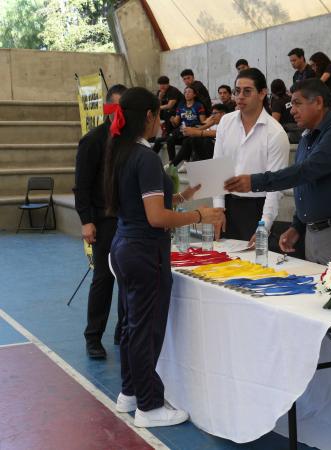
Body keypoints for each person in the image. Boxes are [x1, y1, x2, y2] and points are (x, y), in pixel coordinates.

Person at [103, 86, 224, 428]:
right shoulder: (144, 158)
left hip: (125, 245)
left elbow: (143, 207)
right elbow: (156, 217)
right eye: (159, 115)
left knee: (130, 325)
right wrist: (199, 216)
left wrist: (184, 195)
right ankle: (150, 405)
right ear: (150, 117)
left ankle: (130, 392)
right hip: (144, 252)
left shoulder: (122, 152)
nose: (162, 121)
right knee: (146, 330)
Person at [224, 79, 331, 264]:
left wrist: (254, 182)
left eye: (297, 103)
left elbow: (306, 171)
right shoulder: (307, 135)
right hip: (314, 233)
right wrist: (297, 226)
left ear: (318, 102)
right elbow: (304, 183)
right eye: (291, 104)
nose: (292, 110)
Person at [74, 83, 127, 359]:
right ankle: (93, 337)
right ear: (108, 108)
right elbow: (81, 186)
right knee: (104, 278)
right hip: (103, 220)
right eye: (116, 107)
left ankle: (123, 329)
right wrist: (86, 220)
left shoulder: (131, 141)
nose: (120, 113)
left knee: (128, 278)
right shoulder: (93, 140)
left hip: (129, 220)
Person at [213, 68, 290, 243]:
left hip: (257, 208)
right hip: (228, 205)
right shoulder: (226, 121)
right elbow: (218, 167)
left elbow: (275, 185)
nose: (240, 96)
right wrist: (218, 209)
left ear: (263, 93)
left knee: (253, 268)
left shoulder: (275, 133)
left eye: (247, 91)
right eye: (237, 91)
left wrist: (265, 224)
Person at [171, 103, 229, 167]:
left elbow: (217, 133)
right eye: (212, 114)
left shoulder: (227, 123)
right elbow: (200, 128)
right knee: (188, 140)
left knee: (200, 140)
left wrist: (199, 133)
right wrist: (192, 130)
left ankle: (190, 163)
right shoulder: (214, 122)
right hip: (208, 146)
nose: (212, 116)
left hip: (217, 147)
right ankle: (174, 164)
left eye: (215, 113)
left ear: (223, 114)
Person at [166, 85, 206, 166]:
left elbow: (203, 121)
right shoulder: (181, 105)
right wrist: (172, 120)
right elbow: (176, 123)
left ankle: (186, 162)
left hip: (193, 128)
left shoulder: (199, 105)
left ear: (194, 94)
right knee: (169, 139)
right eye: (185, 92)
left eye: (189, 92)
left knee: (186, 141)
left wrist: (197, 128)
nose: (187, 94)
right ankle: (171, 161)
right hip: (182, 128)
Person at [152, 76, 182, 154]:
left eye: (164, 84)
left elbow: (170, 105)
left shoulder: (173, 90)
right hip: (167, 112)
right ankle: (151, 136)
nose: (162, 86)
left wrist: (158, 107)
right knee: (153, 113)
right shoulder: (160, 92)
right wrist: (160, 97)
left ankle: (168, 133)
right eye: (160, 84)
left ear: (168, 84)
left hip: (178, 111)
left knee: (167, 112)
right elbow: (156, 105)